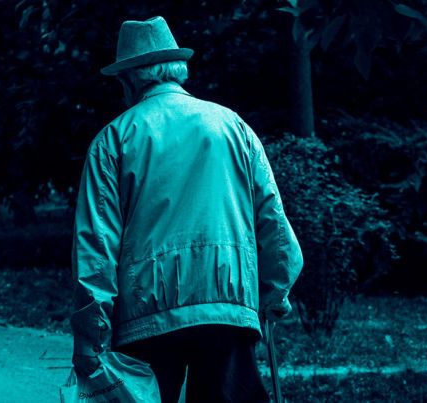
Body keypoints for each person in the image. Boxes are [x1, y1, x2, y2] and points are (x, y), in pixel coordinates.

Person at [70, 16, 303, 402]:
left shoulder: (113, 140)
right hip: (227, 308)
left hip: (146, 315)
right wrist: (276, 291)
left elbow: (96, 248)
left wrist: (90, 340)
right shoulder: (233, 126)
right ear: (177, 69)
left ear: (129, 80)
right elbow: (272, 220)